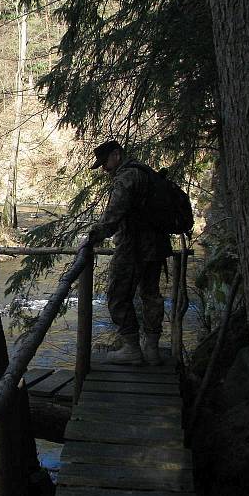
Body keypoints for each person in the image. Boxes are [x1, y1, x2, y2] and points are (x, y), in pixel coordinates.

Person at [81, 140, 172, 365]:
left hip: (134, 246)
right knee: (151, 294)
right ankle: (151, 348)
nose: (104, 169)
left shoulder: (127, 178)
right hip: (156, 245)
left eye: (105, 163)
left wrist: (91, 238)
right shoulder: (146, 173)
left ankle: (131, 347)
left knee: (117, 295)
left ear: (117, 155)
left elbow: (112, 217)